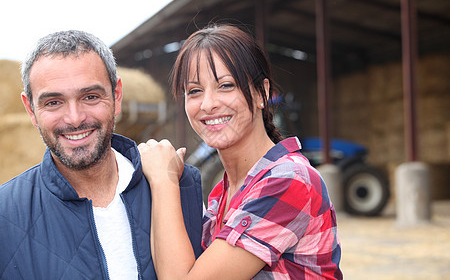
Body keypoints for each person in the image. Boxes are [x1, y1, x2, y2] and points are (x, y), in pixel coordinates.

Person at [138, 24, 343, 279]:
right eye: (194, 91)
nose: (209, 104)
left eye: (226, 85)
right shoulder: (221, 195)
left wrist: (162, 180)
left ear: (262, 93)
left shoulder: (289, 180)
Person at [0, 30, 203, 279]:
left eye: (90, 97)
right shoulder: (5, 215)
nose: (75, 118)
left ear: (117, 96)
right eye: (53, 102)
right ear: (30, 109)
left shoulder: (184, 187)